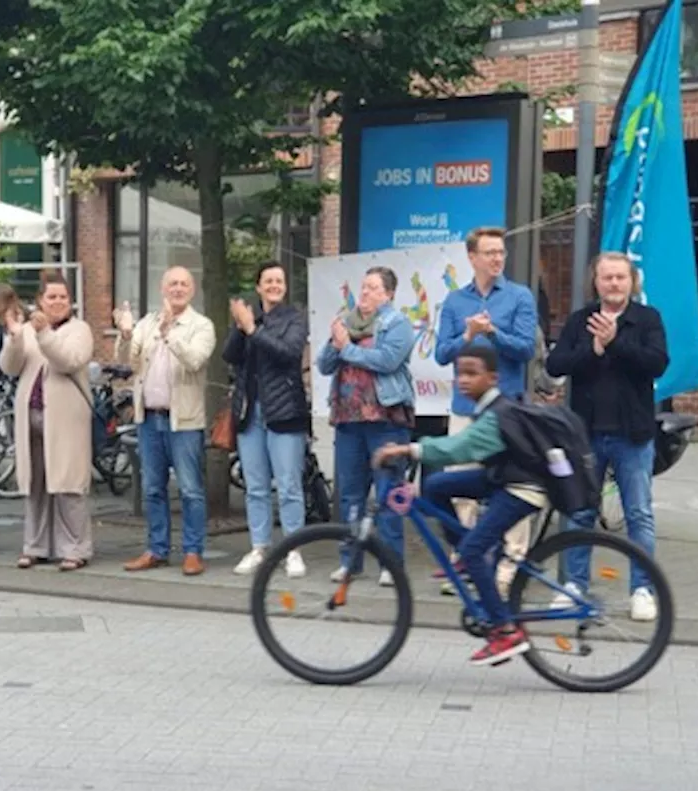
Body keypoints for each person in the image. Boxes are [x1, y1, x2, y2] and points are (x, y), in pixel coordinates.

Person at [373, 344, 542, 666]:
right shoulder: (487, 406)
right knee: (434, 486)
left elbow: (458, 449)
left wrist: (407, 451)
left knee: (476, 550)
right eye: (459, 373)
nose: (463, 380)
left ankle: (504, 630)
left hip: (521, 489)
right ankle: (466, 554)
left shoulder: (498, 413)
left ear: (492, 377)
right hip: (500, 477)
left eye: (471, 373)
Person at [546, 251, 669, 622]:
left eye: (620, 277)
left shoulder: (647, 319)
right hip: (586, 435)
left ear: (632, 281)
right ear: (595, 282)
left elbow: (657, 363)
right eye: (607, 278)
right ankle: (574, 585)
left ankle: (643, 589)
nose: (614, 284)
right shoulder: (580, 320)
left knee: (638, 514)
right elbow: (556, 366)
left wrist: (616, 343)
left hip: (633, 435)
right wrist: (593, 349)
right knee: (579, 511)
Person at [433, 226, 537, 594]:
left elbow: (526, 350)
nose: (497, 259)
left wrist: (492, 332)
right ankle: (470, 561)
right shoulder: (455, 301)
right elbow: (441, 353)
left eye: (501, 253)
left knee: (510, 488)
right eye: (490, 253)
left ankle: (510, 567)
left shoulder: (519, 296)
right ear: (472, 257)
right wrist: (467, 336)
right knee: (460, 489)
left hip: (506, 411)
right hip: (465, 408)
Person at [113, 266, 217, 576]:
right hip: (149, 419)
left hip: (183, 421)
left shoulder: (201, 326)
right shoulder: (147, 323)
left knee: (190, 490)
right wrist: (127, 334)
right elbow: (125, 363)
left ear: (193, 289)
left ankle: (193, 551)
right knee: (153, 489)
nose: (178, 288)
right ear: (162, 288)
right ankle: (156, 549)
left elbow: (195, 360)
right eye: (172, 283)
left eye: (184, 284)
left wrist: (171, 333)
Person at [315, 266, 415, 587]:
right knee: (350, 495)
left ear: (388, 294)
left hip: (385, 421)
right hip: (348, 421)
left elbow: (387, 361)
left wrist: (348, 348)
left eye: (373, 287)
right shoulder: (346, 321)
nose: (366, 292)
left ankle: (391, 563)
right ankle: (350, 562)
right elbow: (324, 364)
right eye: (364, 286)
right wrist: (335, 343)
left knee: (388, 492)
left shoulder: (397, 323)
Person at [0, 276, 95, 571]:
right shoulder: (26, 330)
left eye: (63, 297)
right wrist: (15, 338)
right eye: (51, 297)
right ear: (40, 300)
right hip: (32, 416)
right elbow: (9, 367)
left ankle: (75, 547)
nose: (57, 302)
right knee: (36, 484)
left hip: (66, 418)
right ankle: (35, 545)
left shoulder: (80, 330)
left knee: (68, 483)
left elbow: (68, 361)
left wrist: (43, 335)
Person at [223, 261, 310, 578]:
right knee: (255, 486)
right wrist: (239, 326)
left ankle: (293, 548)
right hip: (250, 411)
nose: (274, 285)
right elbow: (230, 356)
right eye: (268, 281)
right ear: (258, 287)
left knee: (288, 485)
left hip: (285, 412)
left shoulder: (295, 319)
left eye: (279, 280)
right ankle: (259, 546)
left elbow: (288, 353)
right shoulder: (249, 317)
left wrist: (252, 330)